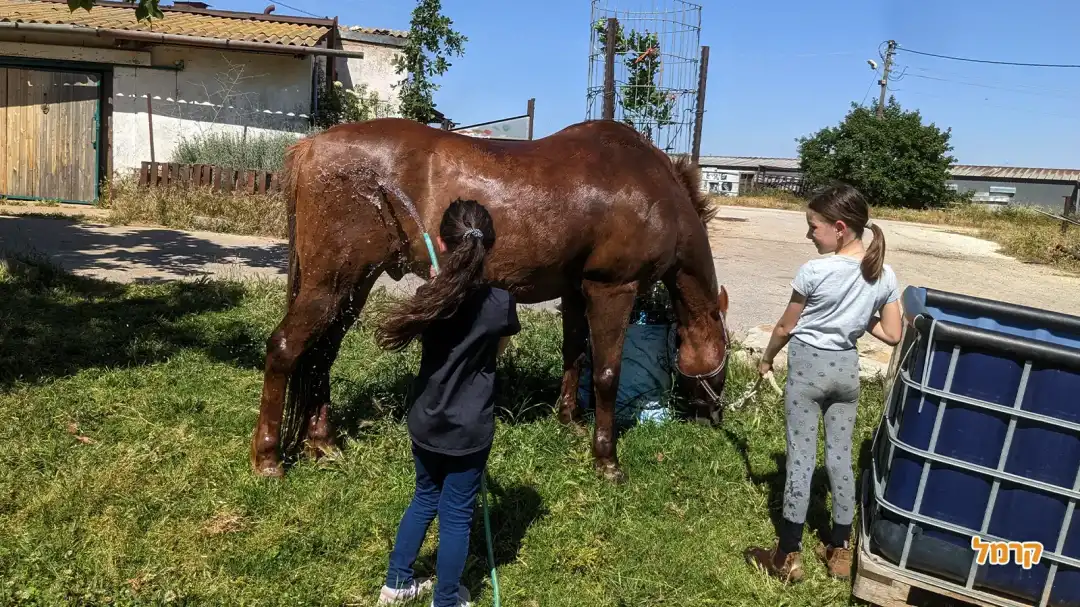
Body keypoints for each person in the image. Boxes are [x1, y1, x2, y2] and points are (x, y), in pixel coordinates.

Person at [744, 183, 902, 583]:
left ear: (839, 227)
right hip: (846, 373)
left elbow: (786, 325)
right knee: (839, 458)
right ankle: (840, 550)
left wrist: (766, 359)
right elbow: (893, 333)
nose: (809, 234)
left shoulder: (814, 270)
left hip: (808, 371)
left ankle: (787, 554)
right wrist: (855, 315)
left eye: (813, 227)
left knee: (800, 456)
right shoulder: (883, 273)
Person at [374, 199, 520, 607]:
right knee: (456, 513)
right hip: (468, 429)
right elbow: (498, 347)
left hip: (426, 419)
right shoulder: (501, 303)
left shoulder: (428, 296)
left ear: (440, 242)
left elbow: (444, 317)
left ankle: (397, 583)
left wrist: (442, 287)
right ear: (488, 246)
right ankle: (447, 599)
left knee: (424, 497)